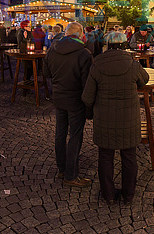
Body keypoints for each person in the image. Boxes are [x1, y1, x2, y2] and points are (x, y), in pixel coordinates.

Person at [82, 39, 147, 203]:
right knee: (129, 157)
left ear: (107, 47)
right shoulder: (133, 65)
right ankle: (128, 195)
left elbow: (87, 97)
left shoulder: (97, 65)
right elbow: (144, 79)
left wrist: (89, 113)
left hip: (104, 119)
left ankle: (108, 195)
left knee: (105, 157)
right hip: (129, 120)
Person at [45, 22, 93, 188]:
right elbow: (87, 82)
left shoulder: (53, 49)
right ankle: (71, 175)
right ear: (79, 34)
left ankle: (62, 168)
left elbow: (47, 73)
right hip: (75, 99)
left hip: (59, 97)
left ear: (65, 33)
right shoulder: (84, 53)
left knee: (60, 132)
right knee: (75, 136)